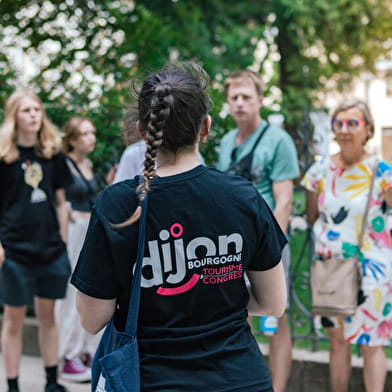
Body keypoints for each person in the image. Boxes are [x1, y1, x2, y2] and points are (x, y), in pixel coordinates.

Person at [71, 62, 287, 392]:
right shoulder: (243, 196)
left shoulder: (117, 204)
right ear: (206, 127)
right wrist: (214, 292)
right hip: (240, 379)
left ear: (143, 132)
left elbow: (91, 319)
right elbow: (273, 303)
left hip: (150, 379)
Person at [217, 69, 299, 392]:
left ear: (260, 100)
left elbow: (285, 201)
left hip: (267, 247)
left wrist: (269, 252)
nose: (239, 103)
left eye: (246, 97)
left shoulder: (279, 141)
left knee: (275, 321)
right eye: (234, 98)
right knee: (239, 319)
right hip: (232, 247)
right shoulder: (225, 143)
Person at [302, 99, 392, 392]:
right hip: (332, 268)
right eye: (338, 123)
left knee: (372, 342)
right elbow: (312, 215)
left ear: (368, 130)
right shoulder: (319, 171)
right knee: (337, 342)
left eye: (352, 123)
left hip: (373, 270)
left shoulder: (383, 172)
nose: (344, 130)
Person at [0, 90, 72, 392]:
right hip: (15, 251)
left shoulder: (51, 154)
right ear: (14, 116)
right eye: (27, 110)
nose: (33, 115)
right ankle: (13, 385)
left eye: (37, 110)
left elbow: (60, 202)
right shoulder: (4, 157)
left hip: (51, 251)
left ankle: (52, 382)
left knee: (48, 317)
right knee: (14, 320)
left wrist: (63, 242)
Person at [55, 116, 100, 382]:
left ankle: (85, 350)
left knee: (88, 291)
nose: (90, 137)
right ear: (71, 139)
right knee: (71, 294)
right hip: (72, 233)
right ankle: (67, 354)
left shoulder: (89, 164)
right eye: (84, 134)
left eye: (92, 132)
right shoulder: (64, 165)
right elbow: (59, 203)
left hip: (88, 230)